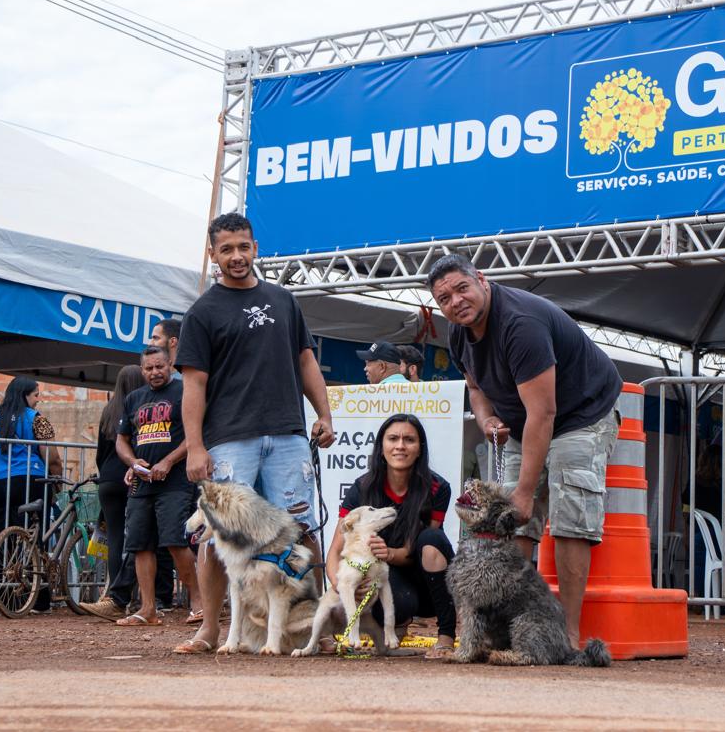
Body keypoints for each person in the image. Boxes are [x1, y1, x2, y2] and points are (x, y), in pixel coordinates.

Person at [428, 253, 621, 646]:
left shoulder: (521, 324)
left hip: (581, 414)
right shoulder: (458, 332)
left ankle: (564, 634)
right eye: (444, 298)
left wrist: (526, 492)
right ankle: (507, 627)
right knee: (508, 521)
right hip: (525, 422)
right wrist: (485, 420)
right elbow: (477, 388)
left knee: (568, 517)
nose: (456, 301)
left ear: (481, 279)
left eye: (461, 288)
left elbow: (544, 412)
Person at [174, 212, 335, 655]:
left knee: (302, 530)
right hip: (229, 439)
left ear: (255, 247)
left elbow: (306, 362)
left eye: (243, 246)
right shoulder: (202, 313)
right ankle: (209, 630)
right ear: (213, 255)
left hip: (287, 434)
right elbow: (194, 386)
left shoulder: (284, 300)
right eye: (226, 249)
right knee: (219, 536)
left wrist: (324, 414)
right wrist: (196, 447)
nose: (237, 256)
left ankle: (315, 628)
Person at [332, 413, 456, 658]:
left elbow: (425, 546)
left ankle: (446, 636)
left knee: (432, 539)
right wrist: (343, 586)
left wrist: (389, 553)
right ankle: (396, 621)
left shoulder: (437, 487)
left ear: (420, 449)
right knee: (384, 589)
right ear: (381, 447)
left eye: (409, 440)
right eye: (393, 439)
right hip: (389, 578)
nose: (400, 446)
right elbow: (335, 552)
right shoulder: (362, 488)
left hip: (426, 578)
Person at [112, 346, 202, 626]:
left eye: (160, 366)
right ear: (142, 371)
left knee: (175, 542)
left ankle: (200, 604)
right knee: (140, 545)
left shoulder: (184, 392)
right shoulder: (134, 398)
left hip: (176, 482)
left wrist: (168, 461)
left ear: (170, 365)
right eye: (149, 368)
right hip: (142, 484)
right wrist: (131, 462)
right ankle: (147, 610)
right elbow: (121, 439)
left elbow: (194, 436)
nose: (155, 372)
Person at [0, 378, 63, 616]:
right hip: (27, 480)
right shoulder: (36, 418)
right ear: (24, 396)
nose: (38, 399)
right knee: (33, 539)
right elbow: (52, 457)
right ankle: (36, 600)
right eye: (35, 395)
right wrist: (57, 480)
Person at [82, 365, 159, 622]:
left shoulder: (109, 410)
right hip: (133, 476)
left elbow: (100, 451)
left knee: (115, 538)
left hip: (108, 479)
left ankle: (115, 596)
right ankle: (142, 595)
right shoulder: (141, 408)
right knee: (137, 538)